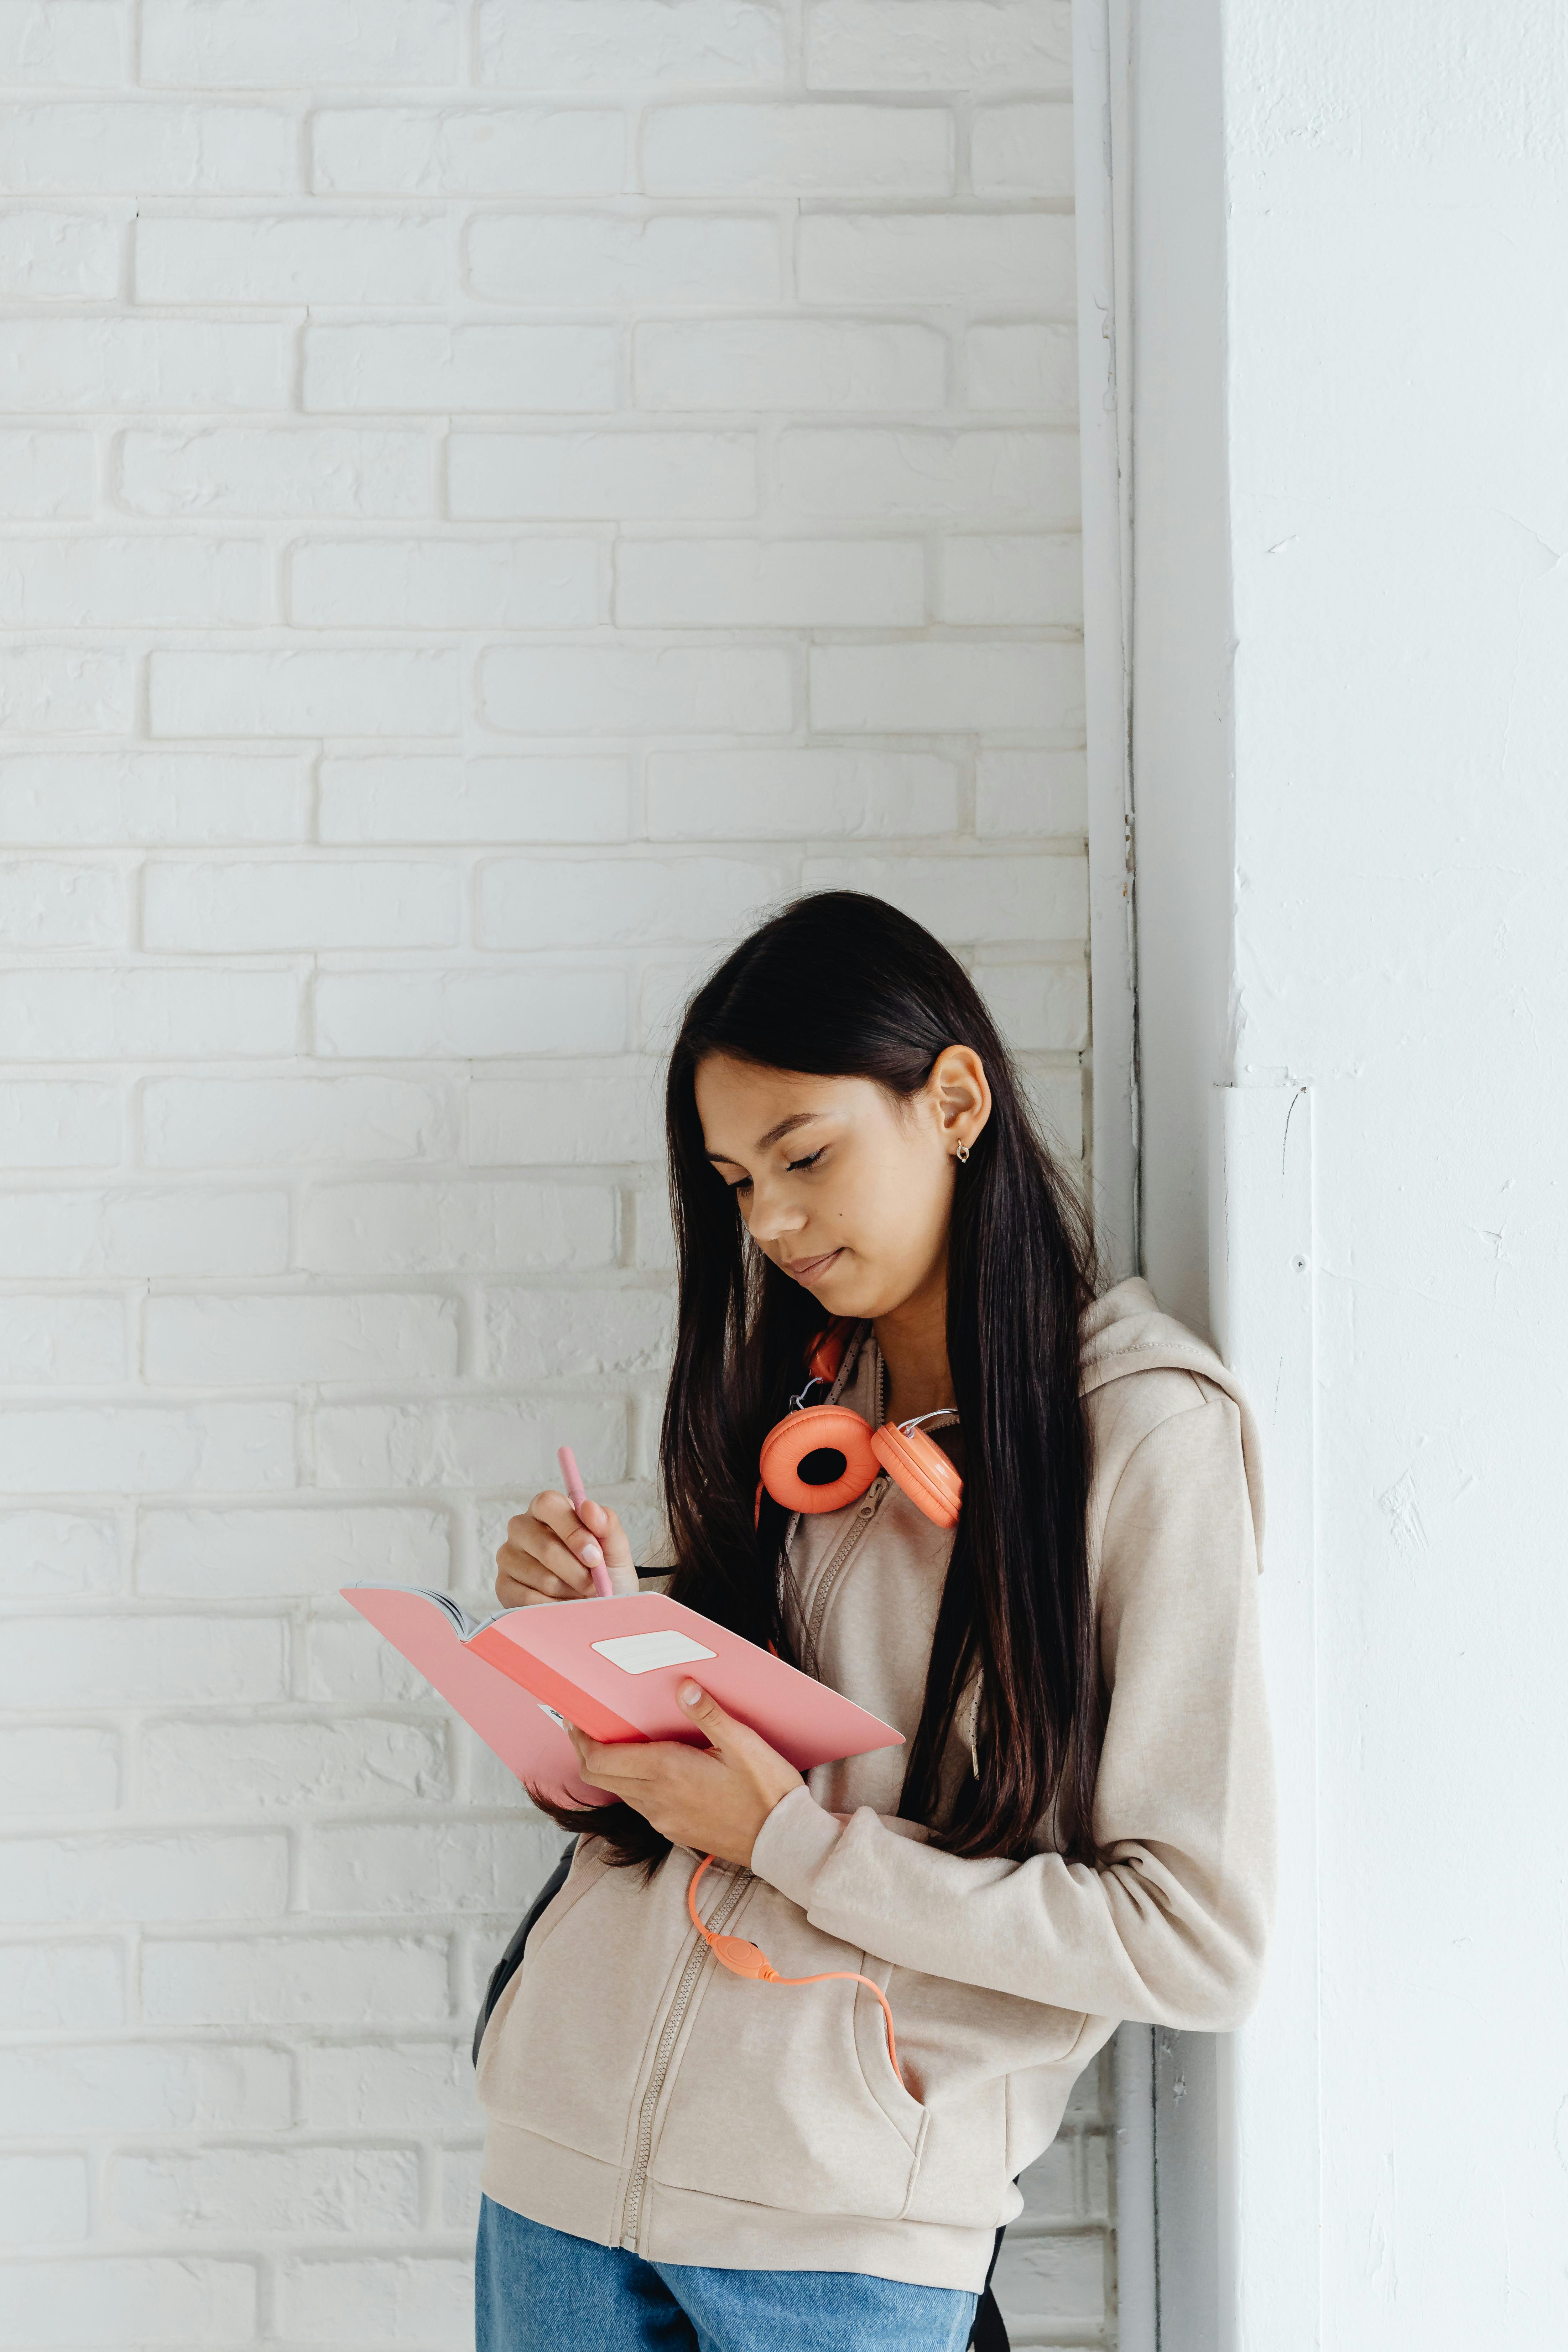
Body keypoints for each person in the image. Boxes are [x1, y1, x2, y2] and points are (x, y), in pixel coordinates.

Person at [475, 891, 1275, 2352]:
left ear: (954, 1098)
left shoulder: (1144, 1439)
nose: (770, 1222)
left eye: (807, 1155)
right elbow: (663, 1822)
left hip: (843, 2238)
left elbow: (1194, 1937)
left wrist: (787, 1839)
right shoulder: (798, 1412)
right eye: (733, 1181)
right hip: (559, 2183)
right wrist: (583, 1656)